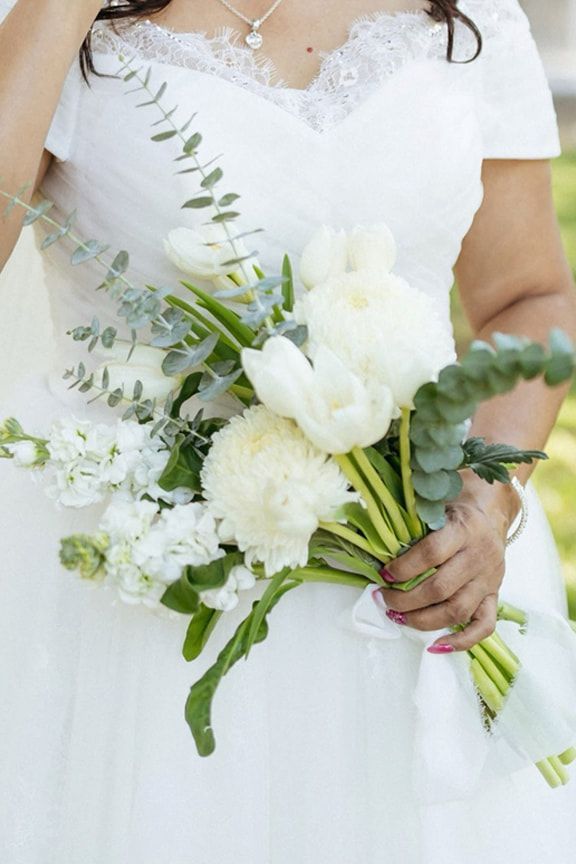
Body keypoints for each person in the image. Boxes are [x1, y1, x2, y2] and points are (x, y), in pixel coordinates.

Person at [1, 1, 576, 861]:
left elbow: (528, 295)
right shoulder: (55, 18)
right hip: (133, 596)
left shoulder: (474, 17)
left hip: (412, 573)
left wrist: (486, 507)